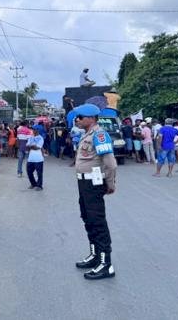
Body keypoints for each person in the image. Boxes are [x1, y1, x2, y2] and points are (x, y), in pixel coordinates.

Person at [72, 104, 117, 280]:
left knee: (97, 222)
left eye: (80, 117)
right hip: (84, 183)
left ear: (91, 118)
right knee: (88, 219)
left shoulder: (99, 135)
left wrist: (110, 183)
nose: (77, 120)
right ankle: (95, 255)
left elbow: (110, 163)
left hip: (93, 183)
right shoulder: (86, 135)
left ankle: (106, 264)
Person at [26, 126, 44, 191]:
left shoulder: (40, 138)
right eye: (33, 129)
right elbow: (27, 146)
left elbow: (38, 147)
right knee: (29, 172)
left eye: (34, 129)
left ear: (38, 130)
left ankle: (39, 186)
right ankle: (33, 184)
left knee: (39, 173)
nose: (33, 130)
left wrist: (31, 146)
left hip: (38, 159)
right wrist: (32, 146)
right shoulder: (31, 137)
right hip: (30, 158)